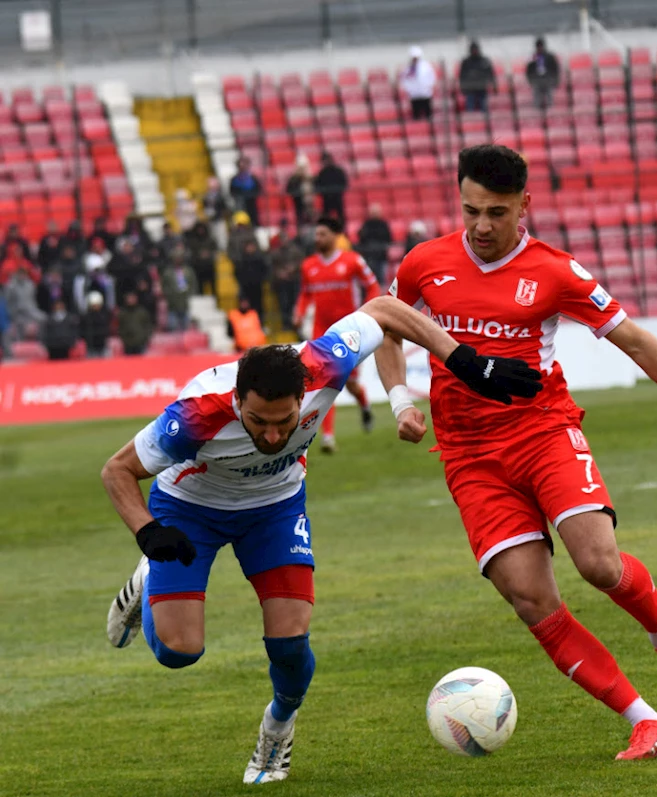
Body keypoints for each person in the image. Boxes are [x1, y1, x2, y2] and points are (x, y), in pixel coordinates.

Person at [375, 144, 657, 761]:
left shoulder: (556, 271)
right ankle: (645, 720)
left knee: (598, 563)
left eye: (496, 212)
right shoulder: (425, 263)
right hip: (469, 457)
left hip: (542, 433)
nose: (482, 226)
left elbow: (633, 339)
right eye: (470, 211)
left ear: (525, 204)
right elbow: (388, 325)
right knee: (530, 597)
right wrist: (399, 401)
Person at [101, 293, 541, 785]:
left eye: (285, 422)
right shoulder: (195, 414)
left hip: (274, 508)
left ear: (305, 394)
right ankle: (148, 578)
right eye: (258, 423)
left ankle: (278, 730)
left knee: (289, 643)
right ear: (237, 400)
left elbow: (383, 309)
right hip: (189, 511)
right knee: (178, 651)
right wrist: (149, 533)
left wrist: (462, 360)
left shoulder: (324, 362)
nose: (272, 437)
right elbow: (117, 470)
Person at [293, 217, 381, 453]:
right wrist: (299, 312)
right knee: (322, 380)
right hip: (321, 332)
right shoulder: (308, 265)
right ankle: (328, 437)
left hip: (349, 333)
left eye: (322, 234)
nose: (317, 238)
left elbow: (372, 286)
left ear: (335, 236)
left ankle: (363, 405)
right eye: (316, 234)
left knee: (350, 383)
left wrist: (366, 312)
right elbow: (305, 294)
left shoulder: (352, 261)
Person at [269, 224, 304, 333]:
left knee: (295, 304)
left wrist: (293, 269)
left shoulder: (296, 251)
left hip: (294, 281)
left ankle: (296, 325)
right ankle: (286, 324)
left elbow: (302, 264)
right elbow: (272, 268)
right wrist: (279, 273)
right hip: (282, 283)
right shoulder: (276, 253)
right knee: (284, 304)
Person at [161, 248, 199, 332]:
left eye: (180, 257)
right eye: (176, 257)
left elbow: (193, 284)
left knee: (186, 328)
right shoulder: (168, 272)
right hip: (173, 304)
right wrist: (170, 295)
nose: (178, 259)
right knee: (173, 327)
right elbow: (164, 286)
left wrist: (190, 295)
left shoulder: (188, 271)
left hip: (185, 303)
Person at [357, 203, 393, 288]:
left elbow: (389, 238)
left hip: (381, 256)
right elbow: (362, 238)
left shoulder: (384, 224)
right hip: (369, 256)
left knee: (382, 280)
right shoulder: (366, 224)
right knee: (370, 280)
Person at [233, 239, 269, 323]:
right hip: (245, 287)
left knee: (258, 306)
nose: (250, 248)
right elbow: (236, 272)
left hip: (257, 286)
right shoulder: (241, 260)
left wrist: (260, 279)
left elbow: (265, 271)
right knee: (246, 306)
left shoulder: (260, 258)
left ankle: (260, 324)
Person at [459, 40, 497, 113]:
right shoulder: (466, 62)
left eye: (475, 49)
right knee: (470, 109)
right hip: (470, 89)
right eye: (473, 49)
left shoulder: (484, 61)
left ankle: (485, 122)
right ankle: (470, 123)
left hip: (482, 88)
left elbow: (490, 74)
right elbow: (462, 76)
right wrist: (463, 88)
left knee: (484, 108)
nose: (474, 51)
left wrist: (494, 86)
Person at [400, 45, 437, 120]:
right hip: (414, 94)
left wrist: (428, 86)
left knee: (427, 112)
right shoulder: (408, 68)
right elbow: (404, 79)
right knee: (416, 113)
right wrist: (408, 89)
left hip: (425, 92)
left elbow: (432, 77)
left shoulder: (426, 66)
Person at [314, 152, 349, 225]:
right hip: (326, 200)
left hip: (337, 198)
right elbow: (317, 187)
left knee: (341, 217)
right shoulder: (322, 173)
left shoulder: (338, 171)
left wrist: (338, 191)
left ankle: (342, 231)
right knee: (326, 219)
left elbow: (345, 183)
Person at [526, 37, 560, 110]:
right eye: (538, 46)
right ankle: (537, 112)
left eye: (541, 46)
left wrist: (555, 82)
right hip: (537, 81)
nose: (540, 48)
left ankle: (550, 113)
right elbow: (528, 71)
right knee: (536, 99)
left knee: (549, 98)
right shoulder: (533, 57)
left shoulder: (550, 57)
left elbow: (556, 70)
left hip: (548, 80)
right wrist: (531, 81)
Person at [185, 220, 217, 296]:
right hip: (198, 267)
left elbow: (215, 251)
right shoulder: (192, 241)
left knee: (213, 287)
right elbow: (190, 254)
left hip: (209, 266)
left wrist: (209, 255)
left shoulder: (210, 239)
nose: (200, 231)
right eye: (199, 229)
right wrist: (199, 256)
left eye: (202, 229)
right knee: (200, 287)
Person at [117, 290, 153, 355]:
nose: (131, 300)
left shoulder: (142, 312)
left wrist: (145, 338)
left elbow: (148, 326)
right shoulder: (123, 313)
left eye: (132, 298)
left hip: (140, 342)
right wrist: (124, 339)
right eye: (129, 298)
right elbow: (120, 327)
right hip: (127, 343)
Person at [285, 154, 316, 229]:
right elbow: (289, 189)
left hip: (309, 203)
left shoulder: (311, 177)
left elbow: (315, 187)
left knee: (311, 218)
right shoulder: (293, 178)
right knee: (300, 219)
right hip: (298, 202)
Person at [229, 156, 263, 225]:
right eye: (240, 166)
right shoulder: (234, 179)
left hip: (251, 203)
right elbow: (232, 191)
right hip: (240, 204)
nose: (242, 168)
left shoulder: (252, 178)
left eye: (244, 165)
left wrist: (252, 194)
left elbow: (258, 189)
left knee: (253, 220)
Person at [81, 290, 112, 357]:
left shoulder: (105, 315)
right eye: (93, 305)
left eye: (97, 305)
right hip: (90, 346)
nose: (95, 307)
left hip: (103, 345)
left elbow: (107, 329)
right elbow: (83, 330)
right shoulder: (86, 317)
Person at [202, 176, 229, 250]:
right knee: (213, 235)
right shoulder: (206, 196)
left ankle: (223, 249)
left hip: (219, 218)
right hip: (211, 218)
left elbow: (224, 206)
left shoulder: (220, 195)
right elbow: (205, 206)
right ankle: (216, 249)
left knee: (221, 235)